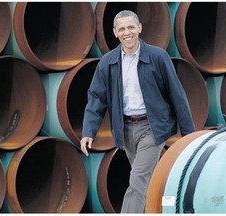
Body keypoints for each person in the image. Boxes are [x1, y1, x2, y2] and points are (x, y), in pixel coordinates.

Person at [80, 10, 195, 213]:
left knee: (138, 179)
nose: (127, 33)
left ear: (139, 28)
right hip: (125, 131)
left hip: (152, 128)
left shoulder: (157, 57)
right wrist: (88, 131)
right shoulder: (108, 62)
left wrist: (189, 136)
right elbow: (97, 97)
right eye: (122, 29)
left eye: (131, 27)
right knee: (148, 181)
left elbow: (177, 95)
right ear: (115, 32)